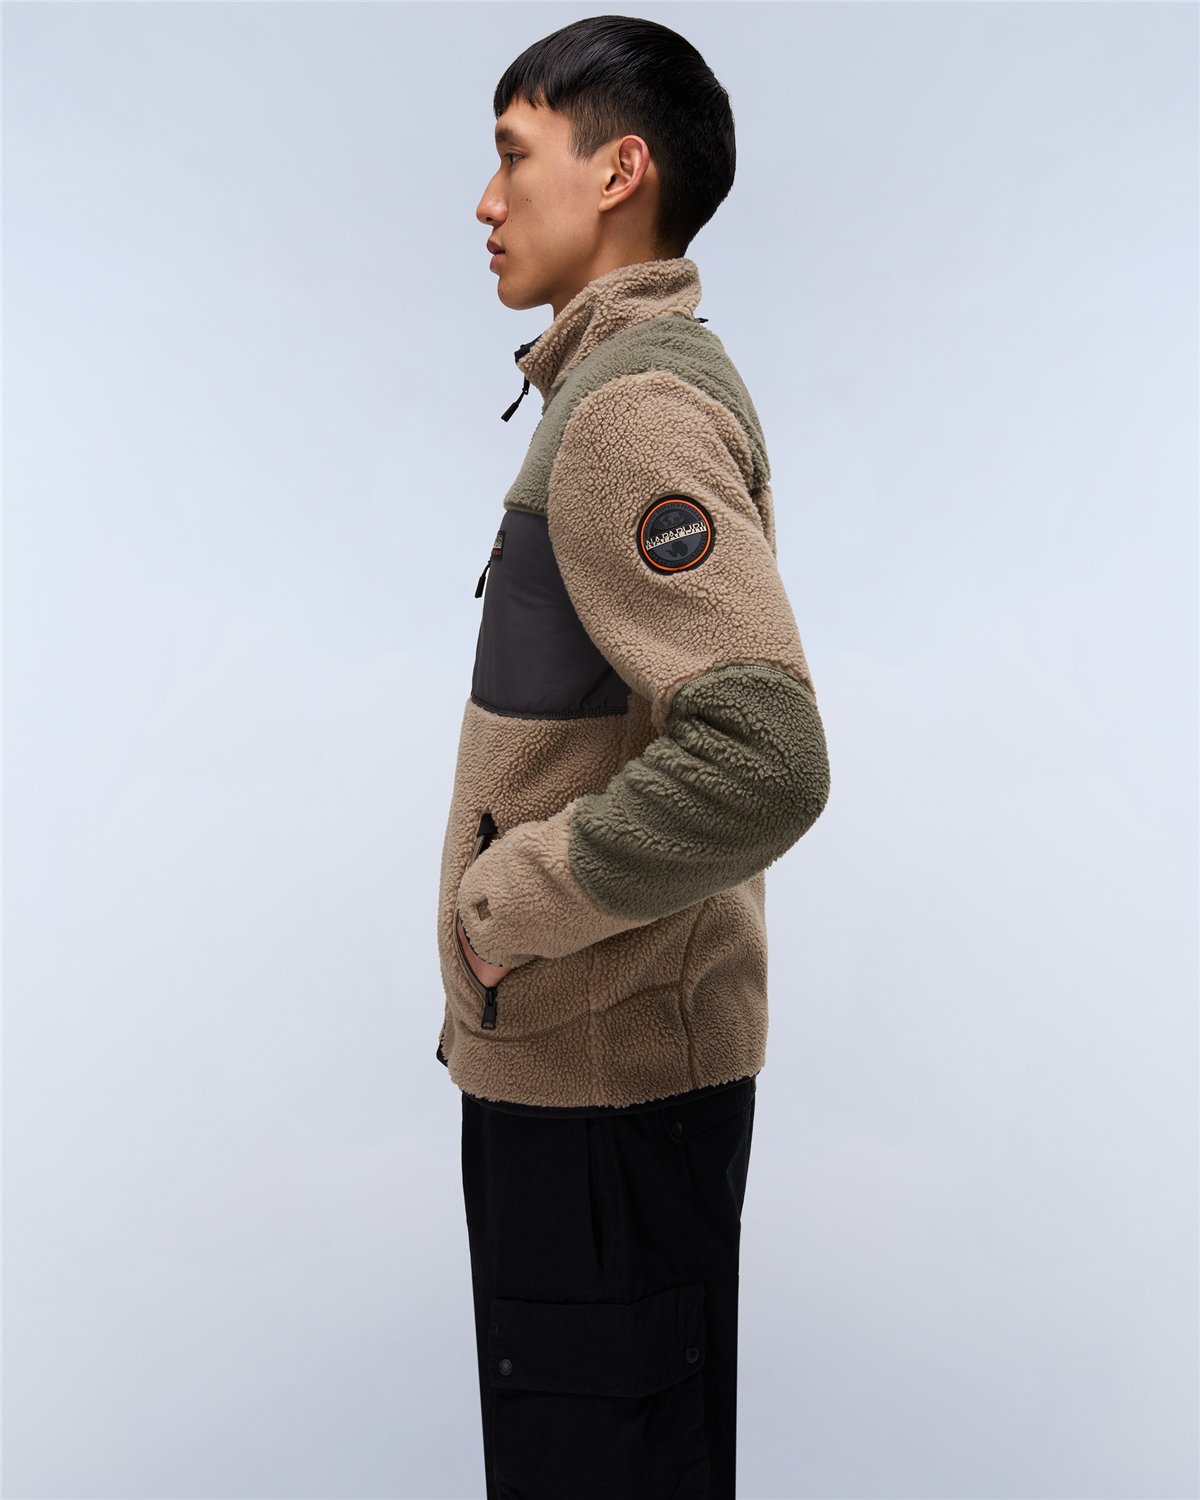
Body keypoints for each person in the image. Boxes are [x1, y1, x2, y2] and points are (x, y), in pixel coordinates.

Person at [434, 14, 831, 1498]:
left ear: (619, 172)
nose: (485, 201)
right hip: (590, 1080)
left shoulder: (629, 415)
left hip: (602, 1099)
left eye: (513, 155)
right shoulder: (615, 394)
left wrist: (506, 906)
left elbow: (764, 757)